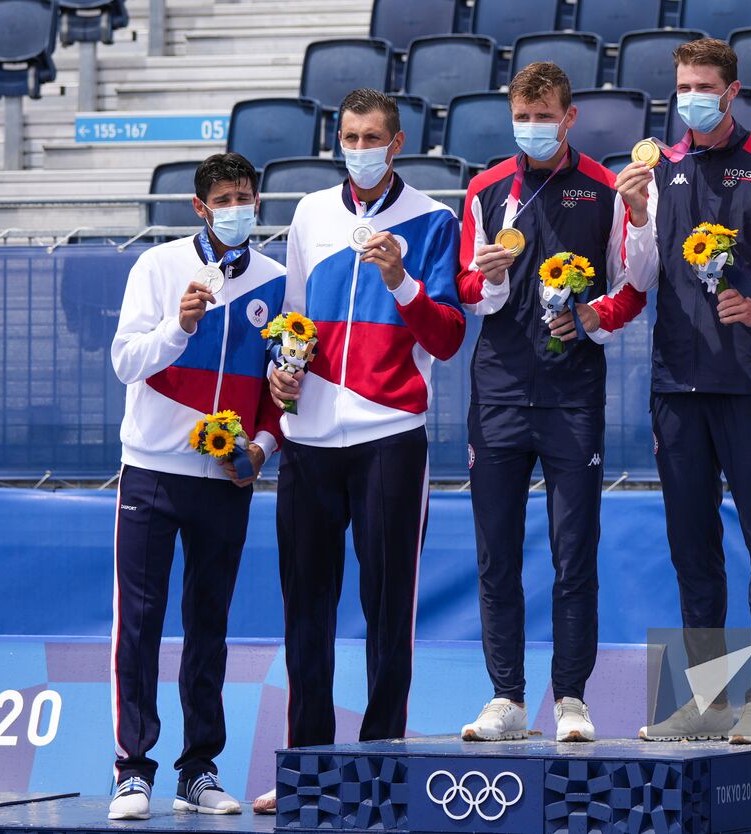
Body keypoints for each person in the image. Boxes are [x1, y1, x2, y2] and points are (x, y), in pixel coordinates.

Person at [251, 89, 464, 813]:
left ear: (397, 143)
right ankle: (307, 772)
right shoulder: (310, 214)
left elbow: (447, 336)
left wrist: (399, 278)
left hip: (389, 437)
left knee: (385, 612)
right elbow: (295, 318)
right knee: (305, 611)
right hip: (308, 438)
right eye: (349, 135)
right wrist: (282, 371)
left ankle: (381, 773)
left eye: (373, 136)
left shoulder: (434, 221)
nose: (360, 147)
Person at [626, 37, 751, 746]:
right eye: (683, 86)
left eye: (705, 85)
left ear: (733, 91)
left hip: (749, 386)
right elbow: (639, 277)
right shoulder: (662, 170)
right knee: (691, 546)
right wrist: (638, 217)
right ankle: (706, 701)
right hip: (675, 385)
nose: (692, 98)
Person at [453, 61, 655, 743]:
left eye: (545, 118)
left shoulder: (601, 189)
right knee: (496, 554)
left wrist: (593, 317)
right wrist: (486, 280)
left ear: (570, 119)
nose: (533, 129)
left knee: (575, 552)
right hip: (500, 393)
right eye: (523, 118)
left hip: (572, 396)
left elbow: (631, 289)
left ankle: (571, 697)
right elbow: (464, 292)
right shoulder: (483, 192)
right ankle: (505, 697)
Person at [108, 151, 283, 820]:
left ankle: (198, 770)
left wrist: (262, 448)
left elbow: (280, 385)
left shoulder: (275, 278)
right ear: (200, 208)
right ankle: (132, 770)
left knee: (208, 627)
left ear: (257, 202)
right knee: (141, 626)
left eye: (247, 196)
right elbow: (126, 362)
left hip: (224, 479)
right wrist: (179, 327)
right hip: (150, 471)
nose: (238, 208)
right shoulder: (157, 268)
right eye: (225, 199)